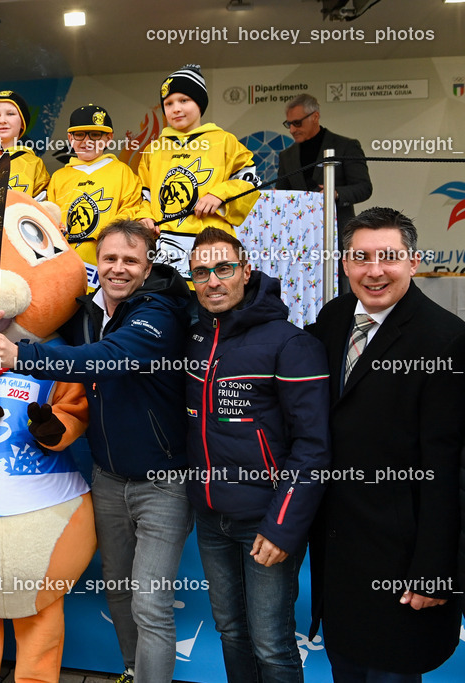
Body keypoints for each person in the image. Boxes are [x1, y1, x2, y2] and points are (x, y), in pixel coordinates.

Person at [0, 220, 192, 683]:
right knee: (117, 589)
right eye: (110, 258)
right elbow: (54, 335)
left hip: (164, 483)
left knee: (150, 600)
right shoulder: (88, 310)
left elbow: (104, 358)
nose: (118, 269)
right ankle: (134, 671)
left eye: (131, 261)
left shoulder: (158, 314)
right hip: (108, 478)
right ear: (96, 261)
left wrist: (20, 357)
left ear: (147, 265)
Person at [306, 207, 465, 681]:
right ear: (345, 263)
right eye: (361, 257)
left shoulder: (447, 340)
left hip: (403, 563)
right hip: (341, 557)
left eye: (389, 257)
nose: (374, 271)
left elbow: (450, 470)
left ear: (413, 262)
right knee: (346, 668)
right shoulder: (334, 317)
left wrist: (435, 570)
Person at [185, 227, 330, 682]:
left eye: (223, 268)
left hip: (265, 522)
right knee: (231, 632)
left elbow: (314, 447)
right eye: (201, 272)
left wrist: (282, 526)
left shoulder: (290, 343)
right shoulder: (192, 337)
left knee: (272, 645)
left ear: (246, 271)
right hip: (211, 519)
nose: (213, 281)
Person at [136, 64, 259, 284]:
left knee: (209, 309)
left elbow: (250, 179)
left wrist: (219, 195)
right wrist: (145, 216)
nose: (176, 109)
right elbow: (143, 193)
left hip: (212, 246)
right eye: (169, 103)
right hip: (165, 252)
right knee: (166, 305)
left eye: (185, 100)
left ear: (200, 104)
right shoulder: (153, 149)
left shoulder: (224, 141)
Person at [276, 93, 373, 293]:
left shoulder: (346, 146)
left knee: (342, 292)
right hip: (299, 240)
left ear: (315, 117)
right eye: (289, 124)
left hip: (337, 236)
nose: (293, 130)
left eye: (297, 123)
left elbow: (364, 187)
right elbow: (282, 193)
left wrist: (334, 194)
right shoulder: (287, 156)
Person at [47, 104, 143, 290]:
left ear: (108, 138)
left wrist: (102, 232)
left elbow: (133, 209)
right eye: (80, 134)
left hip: (107, 268)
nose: (87, 141)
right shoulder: (59, 177)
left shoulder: (122, 171)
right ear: (70, 138)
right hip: (64, 267)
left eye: (95, 135)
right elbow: (50, 218)